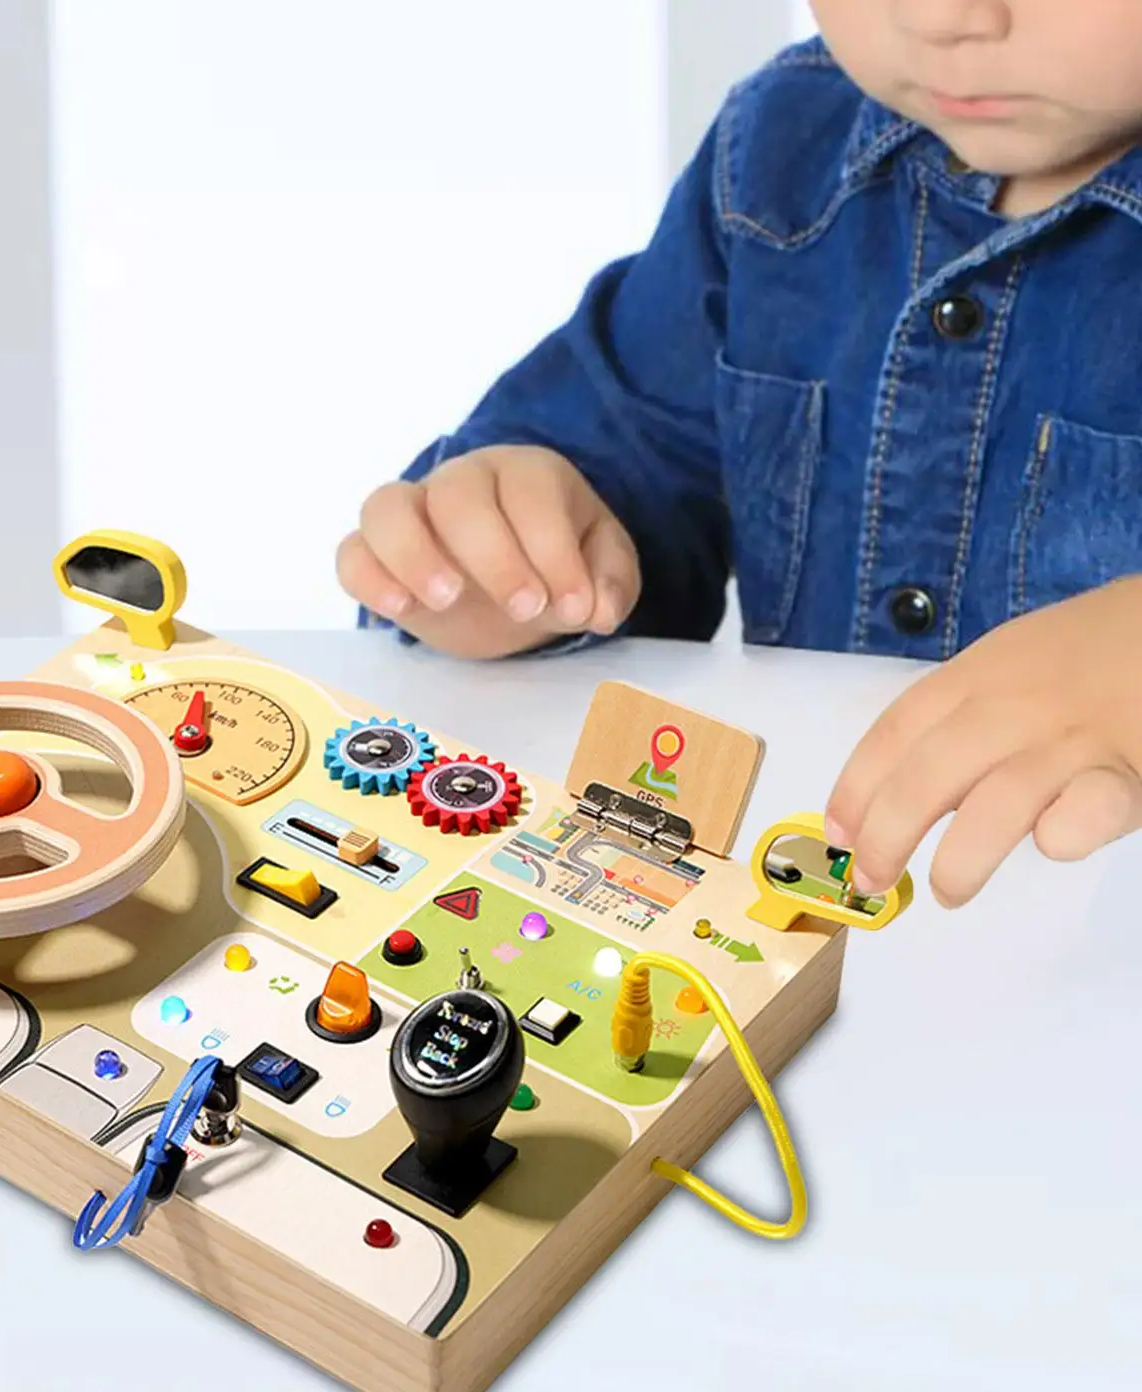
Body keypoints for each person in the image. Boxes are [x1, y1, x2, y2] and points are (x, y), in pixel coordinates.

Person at [336, 0, 1142, 911]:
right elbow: (628, 459)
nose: (937, 15)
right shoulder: (781, 147)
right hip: (815, 911)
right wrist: (513, 557)